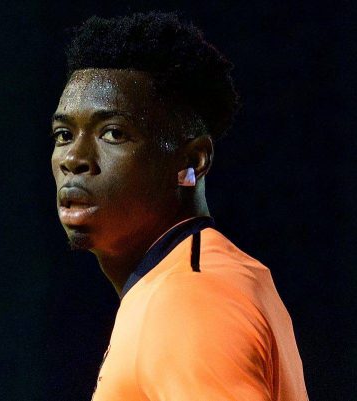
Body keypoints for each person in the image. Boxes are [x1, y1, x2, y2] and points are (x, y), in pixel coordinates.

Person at [50, 11, 309, 401]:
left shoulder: (191, 296)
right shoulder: (189, 279)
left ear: (193, 161)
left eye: (114, 133)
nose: (75, 157)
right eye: (64, 134)